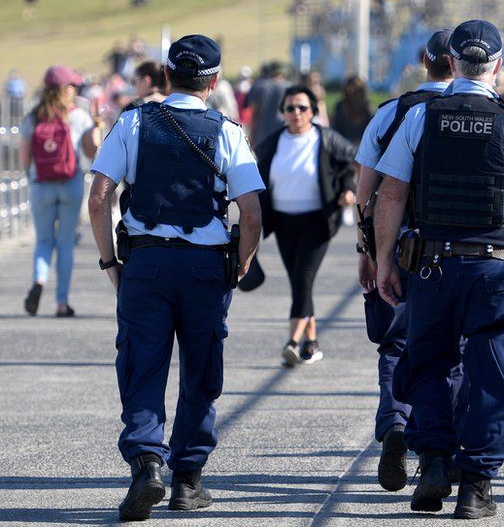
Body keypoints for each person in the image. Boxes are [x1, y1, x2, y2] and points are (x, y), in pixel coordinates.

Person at [373, 20, 504, 518]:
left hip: (432, 266)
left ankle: (436, 462)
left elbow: (392, 193)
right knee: (490, 372)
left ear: (453, 62)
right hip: (495, 273)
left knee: (428, 364)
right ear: (499, 66)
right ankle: (476, 487)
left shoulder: (420, 118)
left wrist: (381, 261)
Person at [87, 35, 264, 521]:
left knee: (142, 364)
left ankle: (146, 462)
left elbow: (100, 196)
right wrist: (242, 263)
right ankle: (188, 479)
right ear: (214, 80)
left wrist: (110, 264)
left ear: (166, 75)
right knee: (201, 371)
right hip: (206, 266)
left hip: (145, 263)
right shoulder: (227, 131)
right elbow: (251, 214)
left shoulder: (133, 121)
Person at [354, 29, 460, 493]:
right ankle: (441, 451)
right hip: (459, 252)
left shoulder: (390, 113)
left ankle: (396, 425)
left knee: (396, 345)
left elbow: (366, 193)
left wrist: (368, 253)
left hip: (396, 247)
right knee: (452, 352)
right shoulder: (487, 113)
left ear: (425, 61)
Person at [255, 85, 357, 366]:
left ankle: (292, 342)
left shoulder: (325, 139)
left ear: (313, 111)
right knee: (300, 283)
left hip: (317, 221)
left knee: (303, 279)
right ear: (283, 113)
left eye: (302, 107)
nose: (296, 113)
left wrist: (348, 190)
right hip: (284, 221)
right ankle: (312, 341)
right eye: (290, 108)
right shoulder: (272, 143)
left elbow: (349, 164)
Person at [20, 65, 103, 317]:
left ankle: (39, 279)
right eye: (73, 85)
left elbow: (25, 158)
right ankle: (61, 303)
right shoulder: (78, 116)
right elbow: (92, 151)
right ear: (64, 89)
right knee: (65, 242)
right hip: (70, 183)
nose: (76, 89)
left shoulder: (33, 117)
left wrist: (33, 176)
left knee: (44, 241)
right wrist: (97, 124)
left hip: (41, 185)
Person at [244, 61, 290, 146]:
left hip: (261, 135)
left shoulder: (258, 86)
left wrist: (251, 137)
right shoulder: (289, 87)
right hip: (283, 134)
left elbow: (253, 114)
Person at [331, 75, 373, 146]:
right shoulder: (340, 106)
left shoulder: (367, 107)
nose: (352, 91)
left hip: (362, 146)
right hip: (343, 146)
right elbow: (336, 129)